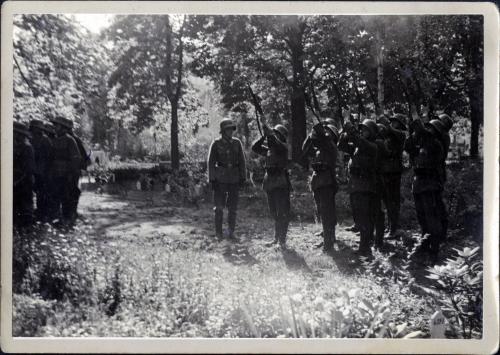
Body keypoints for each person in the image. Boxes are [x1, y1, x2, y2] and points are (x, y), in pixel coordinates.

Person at [404, 118, 446, 261]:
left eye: (431, 128)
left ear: (436, 132)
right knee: (422, 217)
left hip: (430, 185)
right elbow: (407, 145)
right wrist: (414, 133)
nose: (428, 130)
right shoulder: (420, 142)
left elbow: (425, 134)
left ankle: (434, 250)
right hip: (419, 184)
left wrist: (418, 125)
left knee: (431, 217)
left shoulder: (436, 145)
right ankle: (425, 243)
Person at [338, 119, 378, 256]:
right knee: (358, 216)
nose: (363, 132)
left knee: (365, 217)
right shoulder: (357, 147)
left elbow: (361, 141)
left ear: (372, 132)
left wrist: (352, 131)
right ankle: (364, 244)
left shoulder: (373, 145)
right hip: (356, 185)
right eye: (361, 130)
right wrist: (345, 133)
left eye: (366, 130)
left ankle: (365, 248)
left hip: (366, 186)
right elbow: (341, 145)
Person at [252, 123, 291, 248]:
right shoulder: (269, 150)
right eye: (274, 134)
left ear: (282, 137)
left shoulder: (283, 147)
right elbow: (255, 147)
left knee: (282, 212)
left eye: (277, 134)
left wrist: (270, 135)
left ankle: (282, 240)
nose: (274, 137)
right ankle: (276, 238)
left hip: (281, 182)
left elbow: (277, 143)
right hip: (269, 181)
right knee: (273, 211)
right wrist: (264, 136)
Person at [302, 122, 339, 253]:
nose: (323, 135)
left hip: (327, 183)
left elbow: (324, 138)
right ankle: (329, 238)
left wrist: (317, 126)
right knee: (323, 211)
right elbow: (305, 149)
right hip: (318, 182)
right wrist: (310, 133)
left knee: (327, 213)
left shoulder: (331, 147)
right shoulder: (320, 150)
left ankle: (328, 245)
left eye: (327, 132)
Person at [207, 119, 246, 240]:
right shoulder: (216, 143)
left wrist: (243, 177)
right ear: (223, 131)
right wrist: (212, 179)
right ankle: (219, 234)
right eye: (228, 129)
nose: (230, 131)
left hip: (234, 178)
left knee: (233, 208)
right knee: (219, 208)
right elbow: (211, 162)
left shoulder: (237, 143)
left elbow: (242, 161)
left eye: (231, 129)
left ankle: (231, 232)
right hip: (220, 179)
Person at [378, 113, 407, 238]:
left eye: (395, 121)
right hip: (385, 171)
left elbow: (389, 129)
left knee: (392, 201)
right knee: (387, 200)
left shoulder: (401, 134)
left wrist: (385, 122)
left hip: (394, 172)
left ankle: (393, 229)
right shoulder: (389, 135)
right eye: (392, 121)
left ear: (400, 124)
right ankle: (390, 226)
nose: (392, 123)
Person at [49, 115, 81, 225]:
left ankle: (67, 219)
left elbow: (76, 158)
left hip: (67, 174)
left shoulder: (70, 140)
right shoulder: (54, 140)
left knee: (67, 197)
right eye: (54, 125)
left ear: (63, 127)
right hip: (56, 174)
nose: (55, 127)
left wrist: (71, 173)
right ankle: (58, 219)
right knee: (56, 195)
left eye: (57, 125)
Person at [29, 119, 53, 222]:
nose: (35, 130)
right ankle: (39, 212)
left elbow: (50, 156)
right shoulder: (30, 139)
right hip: (34, 169)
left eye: (37, 128)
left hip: (44, 170)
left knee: (43, 193)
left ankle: (44, 213)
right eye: (34, 128)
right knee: (36, 191)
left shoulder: (45, 140)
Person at [14, 121, 35, 228]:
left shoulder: (27, 148)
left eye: (16, 133)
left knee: (26, 205)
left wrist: (18, 181)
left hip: (25, 181)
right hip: (16, 180)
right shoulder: (14, 147)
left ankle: (27, 228)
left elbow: (29, 169)